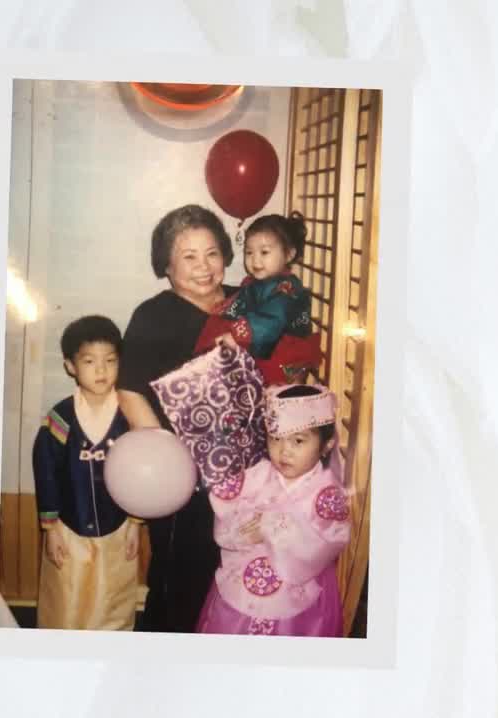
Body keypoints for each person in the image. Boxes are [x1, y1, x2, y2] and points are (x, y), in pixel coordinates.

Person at [115, 204, 239, 633]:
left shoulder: (249, 304)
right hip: (184, 481)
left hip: (250, 475)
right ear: (166, 265)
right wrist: (170, 462)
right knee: (181, 585)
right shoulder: (153, 316)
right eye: (189, 256)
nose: (204, 267)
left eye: (212, 253)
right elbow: (130, 391)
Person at [196, 383, 350, 636]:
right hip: (243, 576)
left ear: (326, 444)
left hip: (298, 586)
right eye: (275, 438)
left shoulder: (327, 494)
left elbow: (323, 546)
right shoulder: (258, 475)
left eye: (298, 441)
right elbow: (227, 512)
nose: (284, 451)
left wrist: (271, 528)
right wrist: (245, 530)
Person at [31, 315, 141, 630]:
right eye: (90, 361)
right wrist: (51, 529)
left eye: (110, 361)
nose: (101, 370)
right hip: (69, 529)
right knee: (66, 603)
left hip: (118, 527)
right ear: (70, 366)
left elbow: (141, 474)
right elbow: (46, 473)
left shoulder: (130, 414)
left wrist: (135, 525)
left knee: (113, 601)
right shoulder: (61, 417)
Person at [193, 211, 322, 385]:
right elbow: (240, 305)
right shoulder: (255, 283)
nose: (255, 260)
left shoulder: (287, 288)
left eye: (264, 252)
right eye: (249, 252)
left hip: (284, 354)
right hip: (264, 345)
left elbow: (271, 319)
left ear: (289, 254)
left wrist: (235, 335)